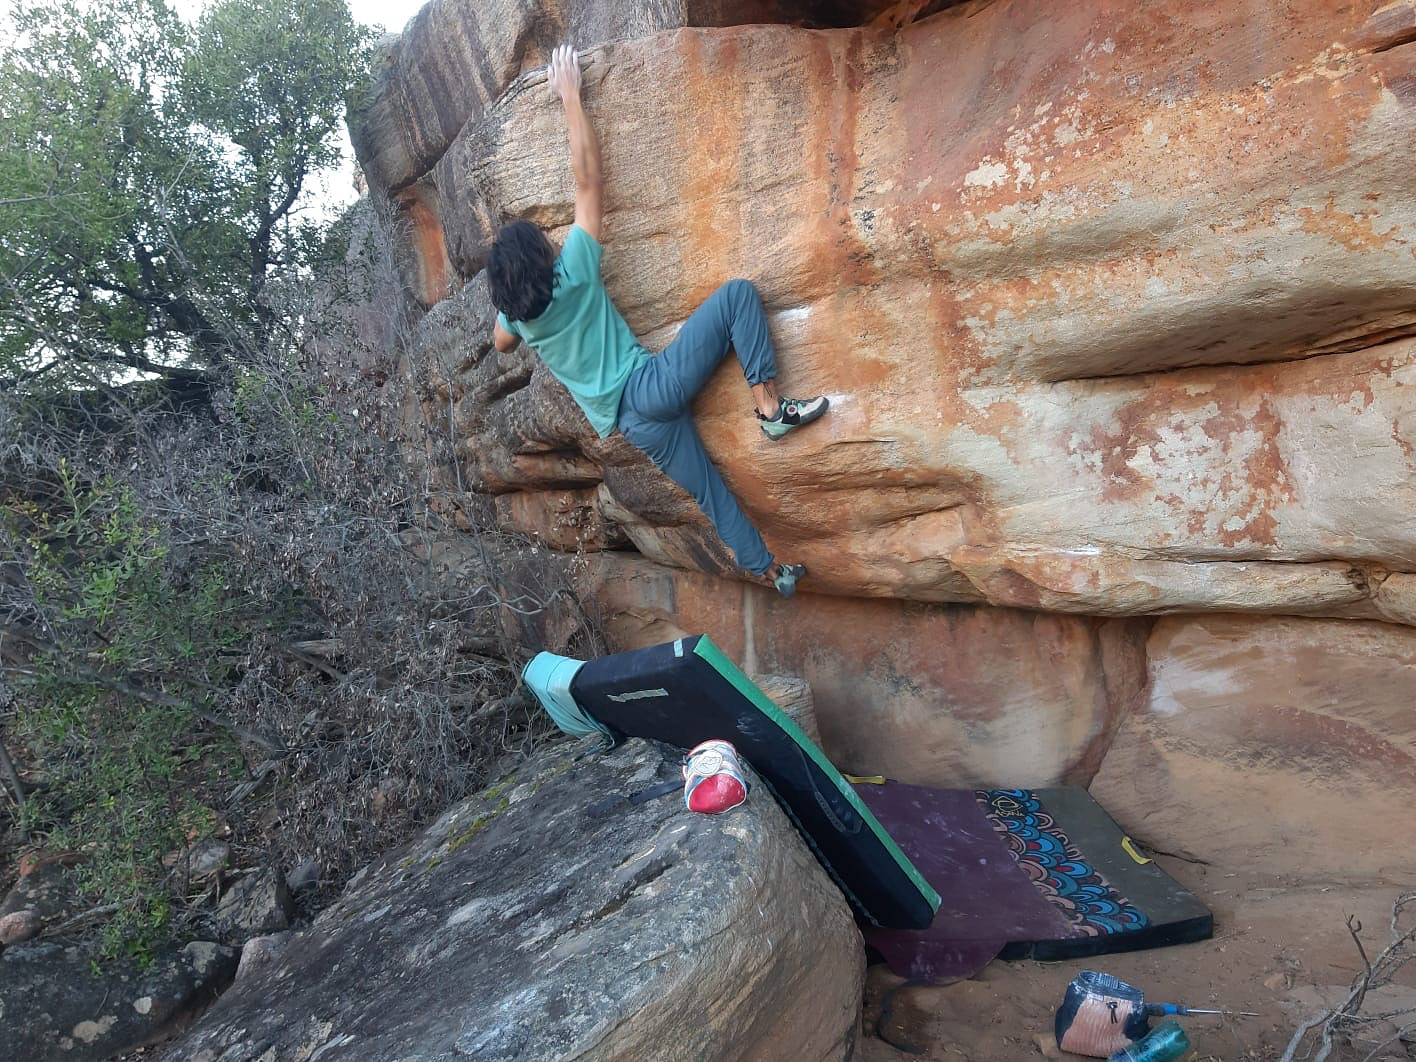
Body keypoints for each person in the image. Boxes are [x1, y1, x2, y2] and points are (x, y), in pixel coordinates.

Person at [489, 45, 829, 596]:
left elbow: (500, 341)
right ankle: (770, 409)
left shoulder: (521, 323)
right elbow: (587, 182)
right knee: (738, 297)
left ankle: (772, 572)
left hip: (635, 427)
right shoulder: (574, 271)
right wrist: (570, 96)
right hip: (652, 386)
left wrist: (511, 301)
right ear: (542, 256)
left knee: (711, 496)